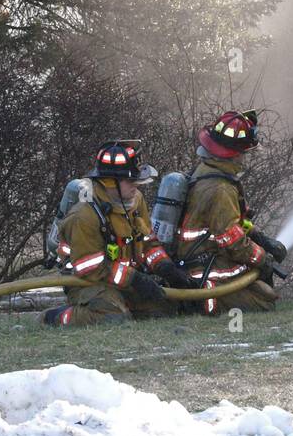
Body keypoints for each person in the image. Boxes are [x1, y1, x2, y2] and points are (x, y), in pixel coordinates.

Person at [42, 140, 190, 327]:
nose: (136, 185)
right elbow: (92, 268)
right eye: (130, 180)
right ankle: (54, 317)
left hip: (122, 279)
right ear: (109, 182)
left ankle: (123, 305)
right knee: (112, 318)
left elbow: (148, 242)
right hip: (86, 282)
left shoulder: (135, 201)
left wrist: (165, 267)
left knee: (165, 308)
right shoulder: (84, 214)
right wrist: (135, 279)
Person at [175, 110, 284, 314]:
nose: (246, 158)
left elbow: (235, 223)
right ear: (235, 153)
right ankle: (200, 305)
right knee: (264, 303)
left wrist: (261, 238)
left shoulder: (207, 171)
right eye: (245, 152)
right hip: (207, 271)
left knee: (265, 293)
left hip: (204, 262)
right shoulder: (221, 188)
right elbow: (231, 240)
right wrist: (262, 258)